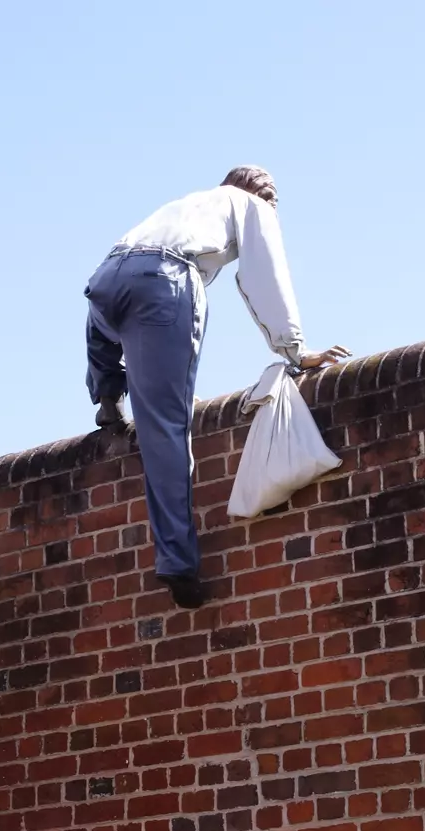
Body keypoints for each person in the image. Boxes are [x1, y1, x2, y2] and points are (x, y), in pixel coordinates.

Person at [83, 165, 350, 609]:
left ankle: (108, 400)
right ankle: (178, 564)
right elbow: (264, 276)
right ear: (262, 194)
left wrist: (109, 386)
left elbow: (114, 281)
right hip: (163, 280)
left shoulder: (186, 204)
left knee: (109, 323)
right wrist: (295, 351)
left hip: (107, 277)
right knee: (166, 427)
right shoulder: (249, 206)